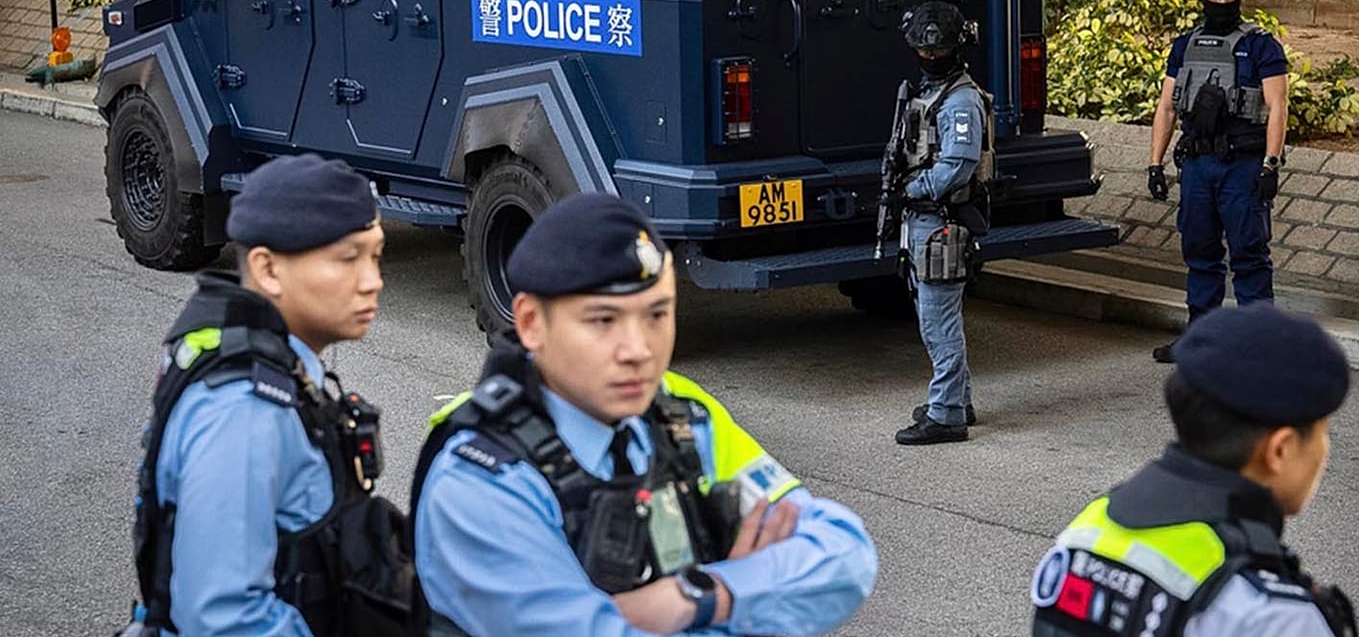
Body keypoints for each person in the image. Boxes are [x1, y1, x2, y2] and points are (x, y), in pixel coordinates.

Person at [411, 192, 877, 636]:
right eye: (603, 321)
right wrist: (762, 605)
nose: (638, 351)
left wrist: (701, 596)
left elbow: (845, 554)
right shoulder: (481, 483)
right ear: (531, 323)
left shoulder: (678, 417)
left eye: (656, 316)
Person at [122, 154, 418, 637]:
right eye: (348, 258)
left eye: (376, 256)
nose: (373, 281)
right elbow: (224, 619)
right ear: (268, 269)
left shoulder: (273, 364)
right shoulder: (243, 409)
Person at [1030, 304, 1358, 636]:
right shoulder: (1276, 617)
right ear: (1280, 450)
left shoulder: (1084, 535)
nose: (1324, 449)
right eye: (1322, 432)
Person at [1147, 0, 1289, 362]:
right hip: (1198, 165)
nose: (1222, 1)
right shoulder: (1185, 45)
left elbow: (1278, 106)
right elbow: (1167, 108)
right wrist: (1154, 163)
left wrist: (1271, 163)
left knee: (1249, 251)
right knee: (1200, 251)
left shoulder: (1260, 45)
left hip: (1242, 165)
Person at [888, 0, 994, 446]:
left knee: (938, 322)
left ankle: (946, 413)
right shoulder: (930, 93)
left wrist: (910, 191)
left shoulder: (960, 101)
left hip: (943, 220)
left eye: (938, 50)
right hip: (925, 221)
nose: (929, 57)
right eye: (924, 50)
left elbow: (958, 164)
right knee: (935, 314)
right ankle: (957, 400)